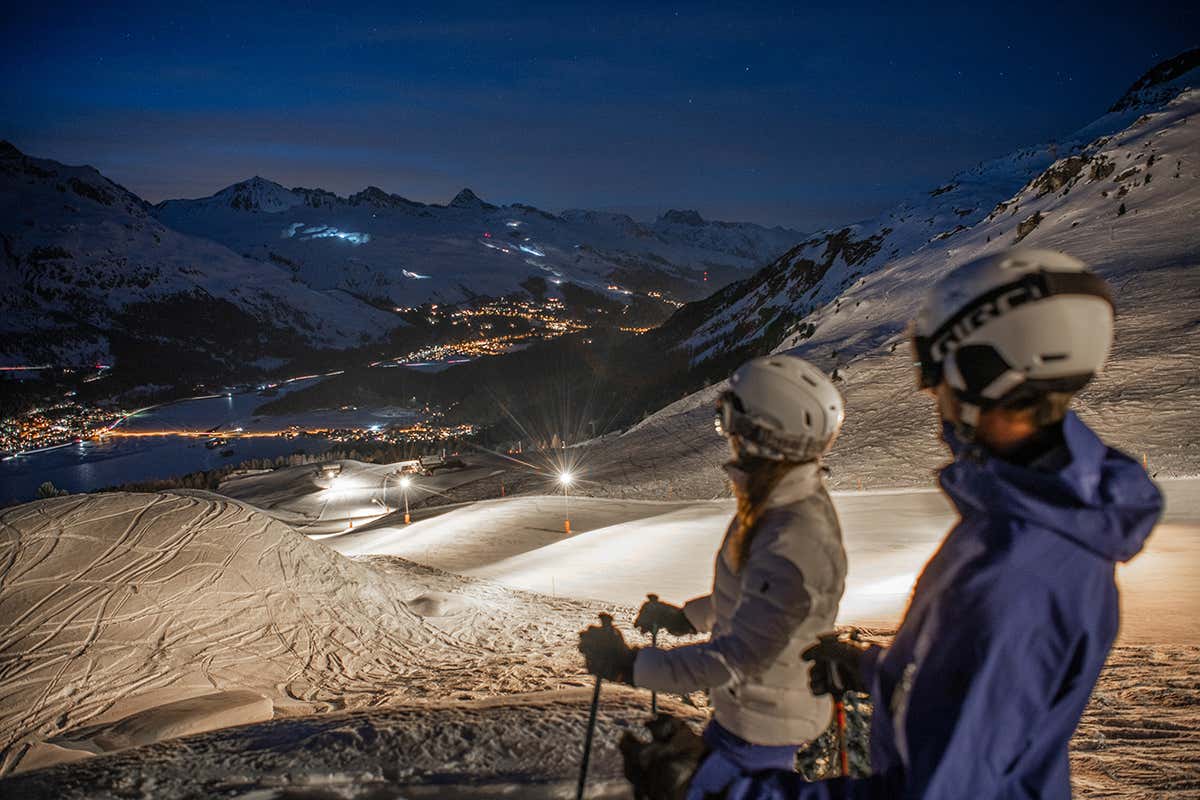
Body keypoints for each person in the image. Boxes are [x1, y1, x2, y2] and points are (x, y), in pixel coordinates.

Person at [716, 248, 1164, 799]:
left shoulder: (1013, 570)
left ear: (985, 372)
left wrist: (737, 793)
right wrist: (877, 672)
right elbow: (990, 700)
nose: (932, 396)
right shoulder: (1046, 521)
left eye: (936, 371)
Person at [578, 353, 848, 800]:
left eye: (727, 419)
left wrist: (631, 667)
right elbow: (750, 599)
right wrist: (686, 618)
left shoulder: (792, 536)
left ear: (759, 431)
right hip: (750, 712)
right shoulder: (778, 503)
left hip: (763, 721)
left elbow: (738, 656)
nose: (726, 435)